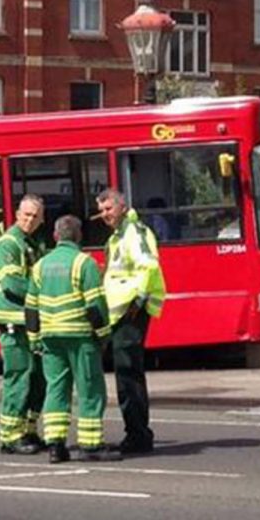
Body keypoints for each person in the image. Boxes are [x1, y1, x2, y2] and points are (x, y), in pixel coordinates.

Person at [26, 214, 120, 463]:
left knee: (56, 389)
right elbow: (95, 306)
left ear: (55, 236)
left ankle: (56, 446)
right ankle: (90, 445)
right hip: (80, 337)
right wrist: (104, 335)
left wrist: (34, 339)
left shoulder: (40, 266)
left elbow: (31, 307)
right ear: (79, 236)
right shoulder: (84, 263)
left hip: (50, 338)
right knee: (90, 388)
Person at [96, 188, 167, 455]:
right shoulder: (119, 235)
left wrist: (138, 302)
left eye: (109, 209)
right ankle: (136, 433)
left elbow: (148, 266)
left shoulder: (134, 232)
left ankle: (138, 435)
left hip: (130, 312)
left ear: (122, 206)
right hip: (121, 313)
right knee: (125, 374)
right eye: (101, 211)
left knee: (128, 374)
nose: (105, 214)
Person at [0, 194, 48, 455]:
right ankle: (10, 437)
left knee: (37, 378)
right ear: (17, 214)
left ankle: (28, 430)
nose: (30, 220)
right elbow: (12, 285)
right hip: (13, 323)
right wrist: (44, 295)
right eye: (26, 215)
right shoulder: (8, 244)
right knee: (19, 376)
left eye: (35, 216)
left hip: (30, 322)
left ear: (42, 219)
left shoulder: (32, 243)